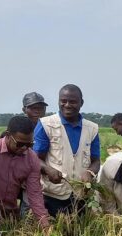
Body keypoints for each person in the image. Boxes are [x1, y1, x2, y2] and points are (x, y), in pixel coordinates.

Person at [33, 84, 101, 217]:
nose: (67, 105)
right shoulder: (46, 125)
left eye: (73, 101)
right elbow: (34, 158)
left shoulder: (92, 128)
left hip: (81, 194)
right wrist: (48, 170)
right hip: (53, 194)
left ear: (81, 103)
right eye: (63, 101)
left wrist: (90, 172)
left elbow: (96, 160)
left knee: (80, 233)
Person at [0, 116, 50, 228]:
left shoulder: (32, 159)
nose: (24, 148)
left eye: (29, 145)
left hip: (10, 214)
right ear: (8, 135)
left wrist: (44, 224)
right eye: (20, 144)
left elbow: (35, 194)